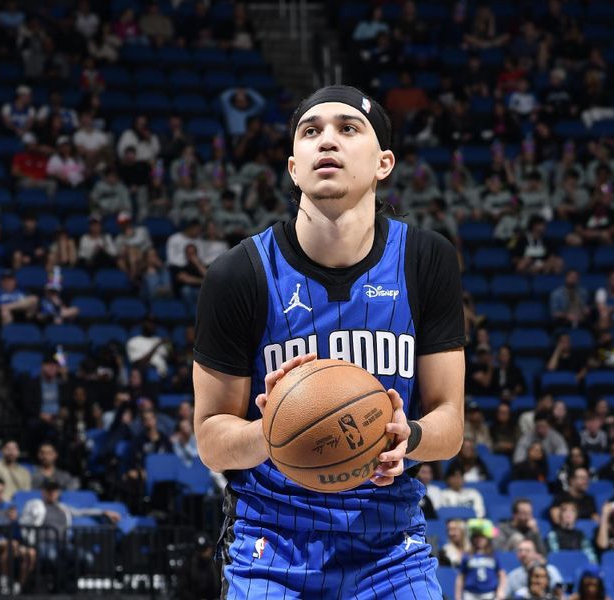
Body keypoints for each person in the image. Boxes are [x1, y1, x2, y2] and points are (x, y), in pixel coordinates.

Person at [192, 85, 466, 598]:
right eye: (311, 132)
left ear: (384, 163)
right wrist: (270, 430)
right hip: (270, 544)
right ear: (294, 167)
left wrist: (414, 438)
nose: (327, 141)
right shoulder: (239, 274)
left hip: (390, 546)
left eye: (348, 129)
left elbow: (450, 423)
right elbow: (210, 440)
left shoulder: (426, 260)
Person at [455, 520, 506, 600]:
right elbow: (460, 577)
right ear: (472, 539)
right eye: (476, 537)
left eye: (482, 537)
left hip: (490, 594)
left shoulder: (493, 555)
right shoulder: (467, 556)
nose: (479, 539)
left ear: (487, 538)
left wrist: (501, 591)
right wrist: (458, 597)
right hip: (470, 595)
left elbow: (502, 575)